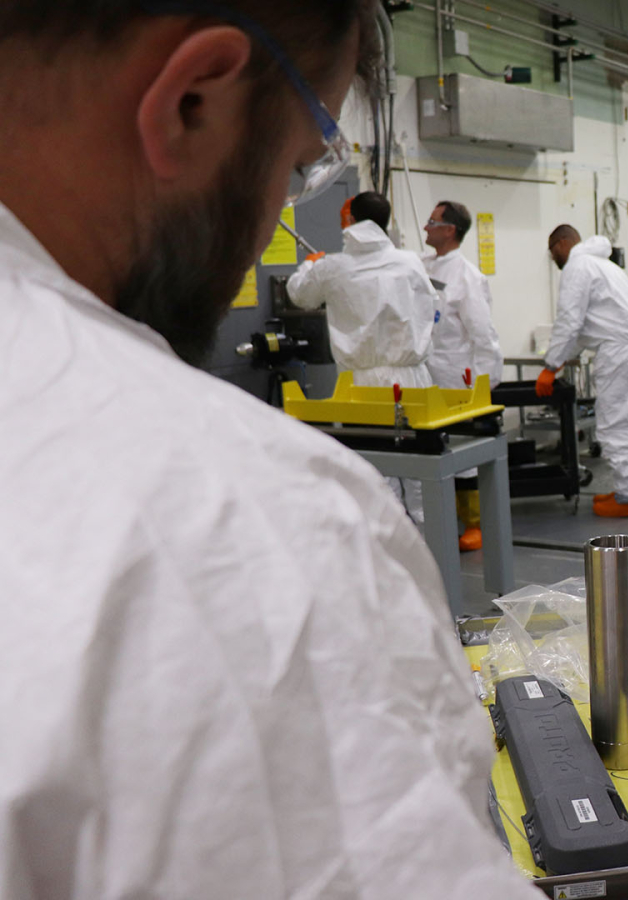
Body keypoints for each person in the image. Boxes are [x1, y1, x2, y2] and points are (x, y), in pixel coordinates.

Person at [0, 2, 540, 897]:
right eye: (292, 166)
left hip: (368, 396)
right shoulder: (259, 532)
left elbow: (304, 281)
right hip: (407, 393)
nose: (274, 212)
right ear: (193, 102)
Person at [288, 190, 439, 523]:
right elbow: (431, 308)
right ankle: (432, 554)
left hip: (363, 384)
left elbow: (299, 295)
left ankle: (393, 557)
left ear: (351, 221)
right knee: (420, 471)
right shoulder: (409, 260)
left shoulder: (332, 267)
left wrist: (308, 265)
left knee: (378, 472)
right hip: (413, 376)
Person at [539, 225, 628, 517]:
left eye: (552, 251)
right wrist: (560, 358)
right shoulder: (602, 264)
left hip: (624, 350)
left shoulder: (577, 266)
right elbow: (584, 328)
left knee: (617, 420)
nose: (553, 258)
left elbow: (569, 321)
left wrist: (550, 366)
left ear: (561, 244)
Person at [423, 200, 503, 551]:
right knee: (433, 450)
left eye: (432, 221)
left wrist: (485, 385)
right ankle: (442, 519)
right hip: (425, 373)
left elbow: (483, 335)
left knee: (463, 452)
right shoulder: (422, 266)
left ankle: (474, 523)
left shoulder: (468, 275)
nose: (425, 227)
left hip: (458, 374)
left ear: (449, 230)